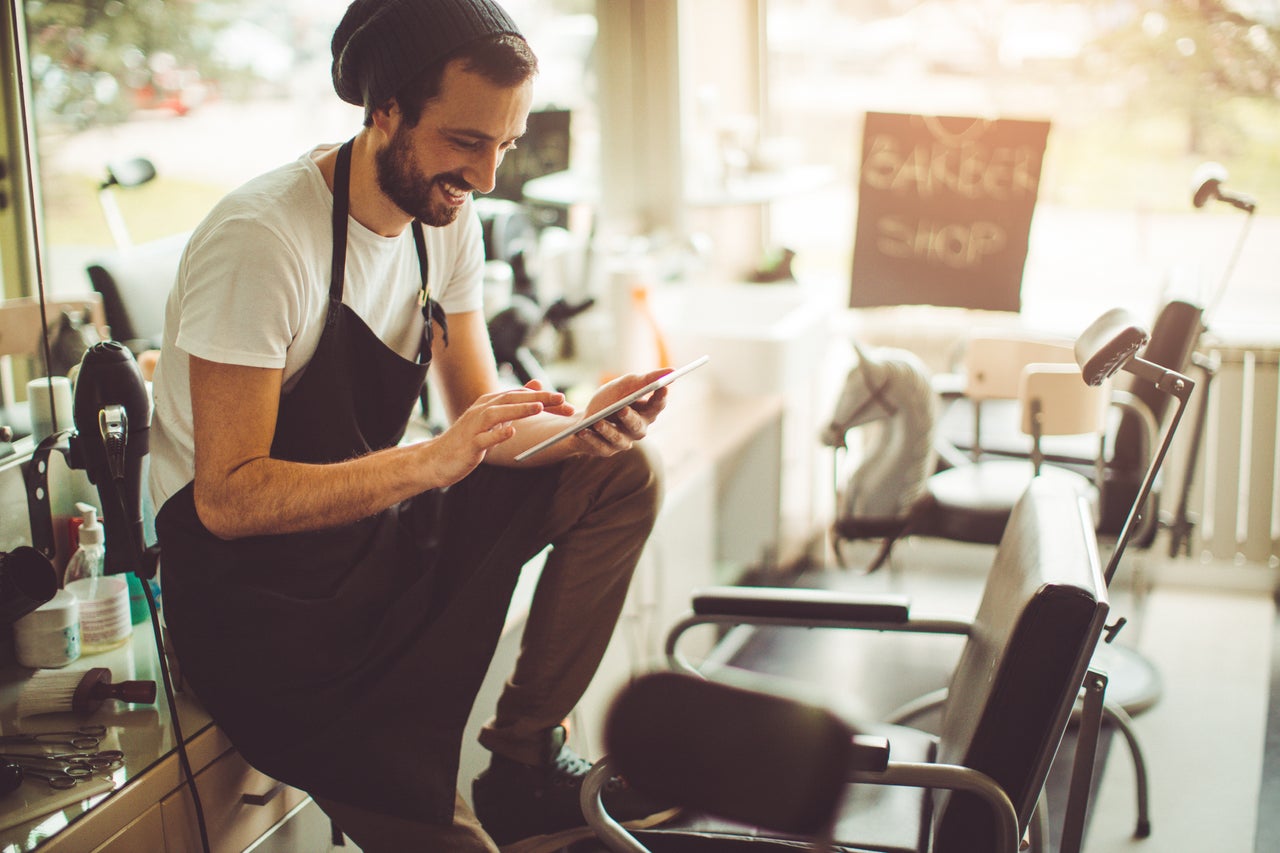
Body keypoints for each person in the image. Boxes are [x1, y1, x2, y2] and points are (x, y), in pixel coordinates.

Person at [147, 0, 678, 849]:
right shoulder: (262, 241)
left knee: (620, 472)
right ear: (384, 110)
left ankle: (523, 760)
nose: (488, 177)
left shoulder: (444, 221)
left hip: (367, 541)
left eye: (505, 145)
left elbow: (479, 419)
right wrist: (436, 459)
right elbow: (229, 500)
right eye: (467, 143)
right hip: (259, 612)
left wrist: (582, 424)